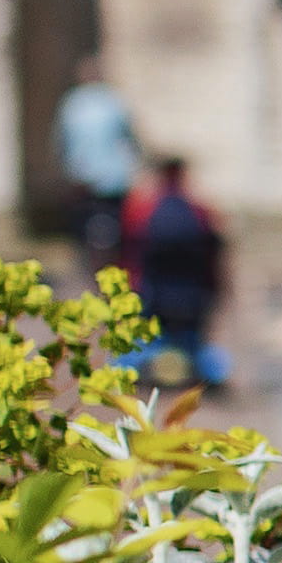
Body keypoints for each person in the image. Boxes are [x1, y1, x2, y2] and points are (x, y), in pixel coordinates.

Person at [123, 156, 231, 394]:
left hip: (154, 300)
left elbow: (129, 256)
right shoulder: (200, 212)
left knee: (135, 351)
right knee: (201, 351)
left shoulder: (142, 211)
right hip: (192, 303)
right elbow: (216, 255)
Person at [54, 57, 139, 273]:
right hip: (113, 177)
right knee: (117, 224)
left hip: (82, 177)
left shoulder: (72, 103)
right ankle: (115, 263)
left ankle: (87, 264)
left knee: (83, 226)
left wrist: (66, 171)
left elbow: (61, 142)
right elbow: (130, 137)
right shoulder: (114, 101)